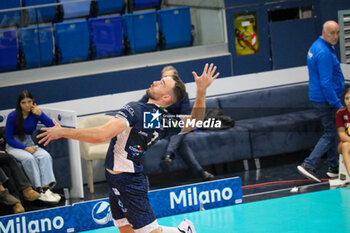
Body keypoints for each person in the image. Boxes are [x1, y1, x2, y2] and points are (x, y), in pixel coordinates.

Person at [37, 63, 219, 233]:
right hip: (117, 178)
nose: (155, 81)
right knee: (126, 229)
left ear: (166, 97)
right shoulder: (158, 117)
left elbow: (103, 134)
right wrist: (201, 90)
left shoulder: (136, 110)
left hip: (129, 181)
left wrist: (63, 132)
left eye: (162, 83)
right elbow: (195, 121)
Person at [140, 65, 215, 181]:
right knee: (178, 132)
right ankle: (198, 171)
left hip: (175, 127)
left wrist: (201, 90)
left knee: (179, 133)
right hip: (158, 126)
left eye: (169, 77)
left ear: (175, 80)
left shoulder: (182, 95)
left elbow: (186, 117)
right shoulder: (154, 92)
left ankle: (170, 155)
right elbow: (139, 108)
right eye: (164, 78)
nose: (166, 80)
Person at [297, 20, 345, 182]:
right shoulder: (323, 52)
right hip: (327, 100)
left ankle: (333, 167)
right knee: (331, 133)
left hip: (322, 98)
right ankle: (309, 164)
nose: (336, 36)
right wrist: (338, 105)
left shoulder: (317, 45)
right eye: (332, 33)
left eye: (337, 32)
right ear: (324, 33)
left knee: (333, 132)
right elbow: (326, 83)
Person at [5, 90, 61, 204]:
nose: (27, 105)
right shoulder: (12, 116)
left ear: (33, 102)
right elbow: (9, 138)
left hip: (29, 142)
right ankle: (38, 190)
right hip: (14, 146)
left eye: (29, 102)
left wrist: (40, 114)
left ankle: (46, 189)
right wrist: (25, 148)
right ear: (19, 104)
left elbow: (53, 126)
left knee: (45, 156)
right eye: (23, 102)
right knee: (28, 159)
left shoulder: (35, 114)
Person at [336, 87, 350, 178]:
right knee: (346, 145)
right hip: (344, 143)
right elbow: (342, 135)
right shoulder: (340, 113)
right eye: (347, 98)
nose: (349, 101)